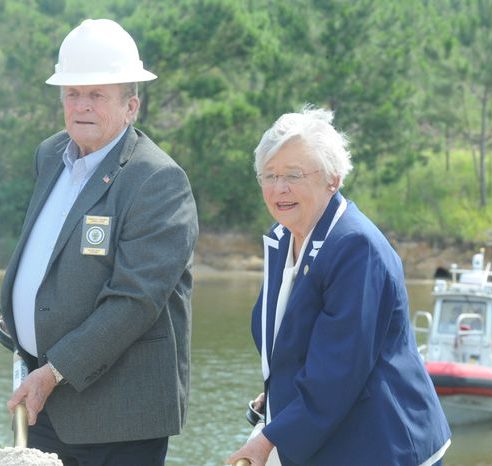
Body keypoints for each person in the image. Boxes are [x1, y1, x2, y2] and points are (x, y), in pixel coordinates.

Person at [0, 19, 198, 465]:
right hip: (46, 401)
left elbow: (133, 301)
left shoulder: (157, 181)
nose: (82, 106)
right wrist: (15, 307)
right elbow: (50, 254)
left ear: (131, 106)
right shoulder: (50, 154)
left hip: (118, 419)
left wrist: (53, 372)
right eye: (73, 94)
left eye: (97, 95)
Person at [226, 106, 451, 466]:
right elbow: (294, 342)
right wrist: (277, 393)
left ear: (333, 179)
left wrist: (268, 440)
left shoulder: (355, 247)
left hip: (381, 443)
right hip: (335, 436)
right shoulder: (282, 238)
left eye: (293, 175)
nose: (279, 189)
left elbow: (339, 371)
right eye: (268, 175)